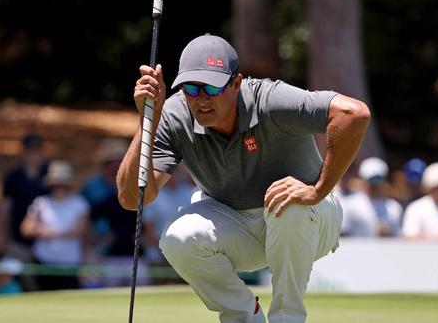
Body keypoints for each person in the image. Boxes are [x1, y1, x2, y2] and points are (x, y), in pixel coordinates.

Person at [117, 34, 370, 323]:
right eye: (190, 88)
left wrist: (317, 189)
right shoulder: (174, 114)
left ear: (236, 84)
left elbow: (354, 113)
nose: (200, 99)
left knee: (288, 204)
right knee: (178, 238)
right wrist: (146, 120)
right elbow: (132, 198)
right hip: (237, 227)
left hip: (311, 220)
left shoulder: (270, 99)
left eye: (211, 87)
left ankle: (287, 318)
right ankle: (244, 316)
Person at [80, 138, 150, 287]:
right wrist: (98, 238)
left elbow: (146, 216)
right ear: (105, 164)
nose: (117, 164)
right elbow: (85, 218)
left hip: (135, 252)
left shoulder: (136, 185)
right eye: (113, 161)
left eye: (121, 160)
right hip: (106, 252)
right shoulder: (92, 187)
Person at [20, 160, 89, 291]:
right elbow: (26, 228)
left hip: (69, 263)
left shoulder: (79, 203)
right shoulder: (41, 203)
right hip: (44, 261)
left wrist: (53, 233)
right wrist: (40, 230)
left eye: (63, 184)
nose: (59, 187)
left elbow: (80, 229)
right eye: (56, 184)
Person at [0, 132, 49, 291]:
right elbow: (5, 210)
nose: (33, 154)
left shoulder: (50, 175)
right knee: (21, 282)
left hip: (46, 242)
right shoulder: (13, 177)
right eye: (30, 150)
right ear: (23, 151)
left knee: (42, 284)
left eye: (37, 150)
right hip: (18, 241)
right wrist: (2, 238)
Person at [142, 166, 197, 264]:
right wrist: (167, 252)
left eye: (176, 171)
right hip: (158, 258)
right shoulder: (152, 196)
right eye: (169, 172)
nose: (172, 175)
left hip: (187, 257)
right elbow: (149, 231)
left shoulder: (192, 193)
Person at [341, 157, 403, 237]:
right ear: (363, 180)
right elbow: (343, 235)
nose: (375, 186)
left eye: (378, 180)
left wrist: (388, 235)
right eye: (371, 181)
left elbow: (399, 238)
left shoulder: (394, 207)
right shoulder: (350, 204)